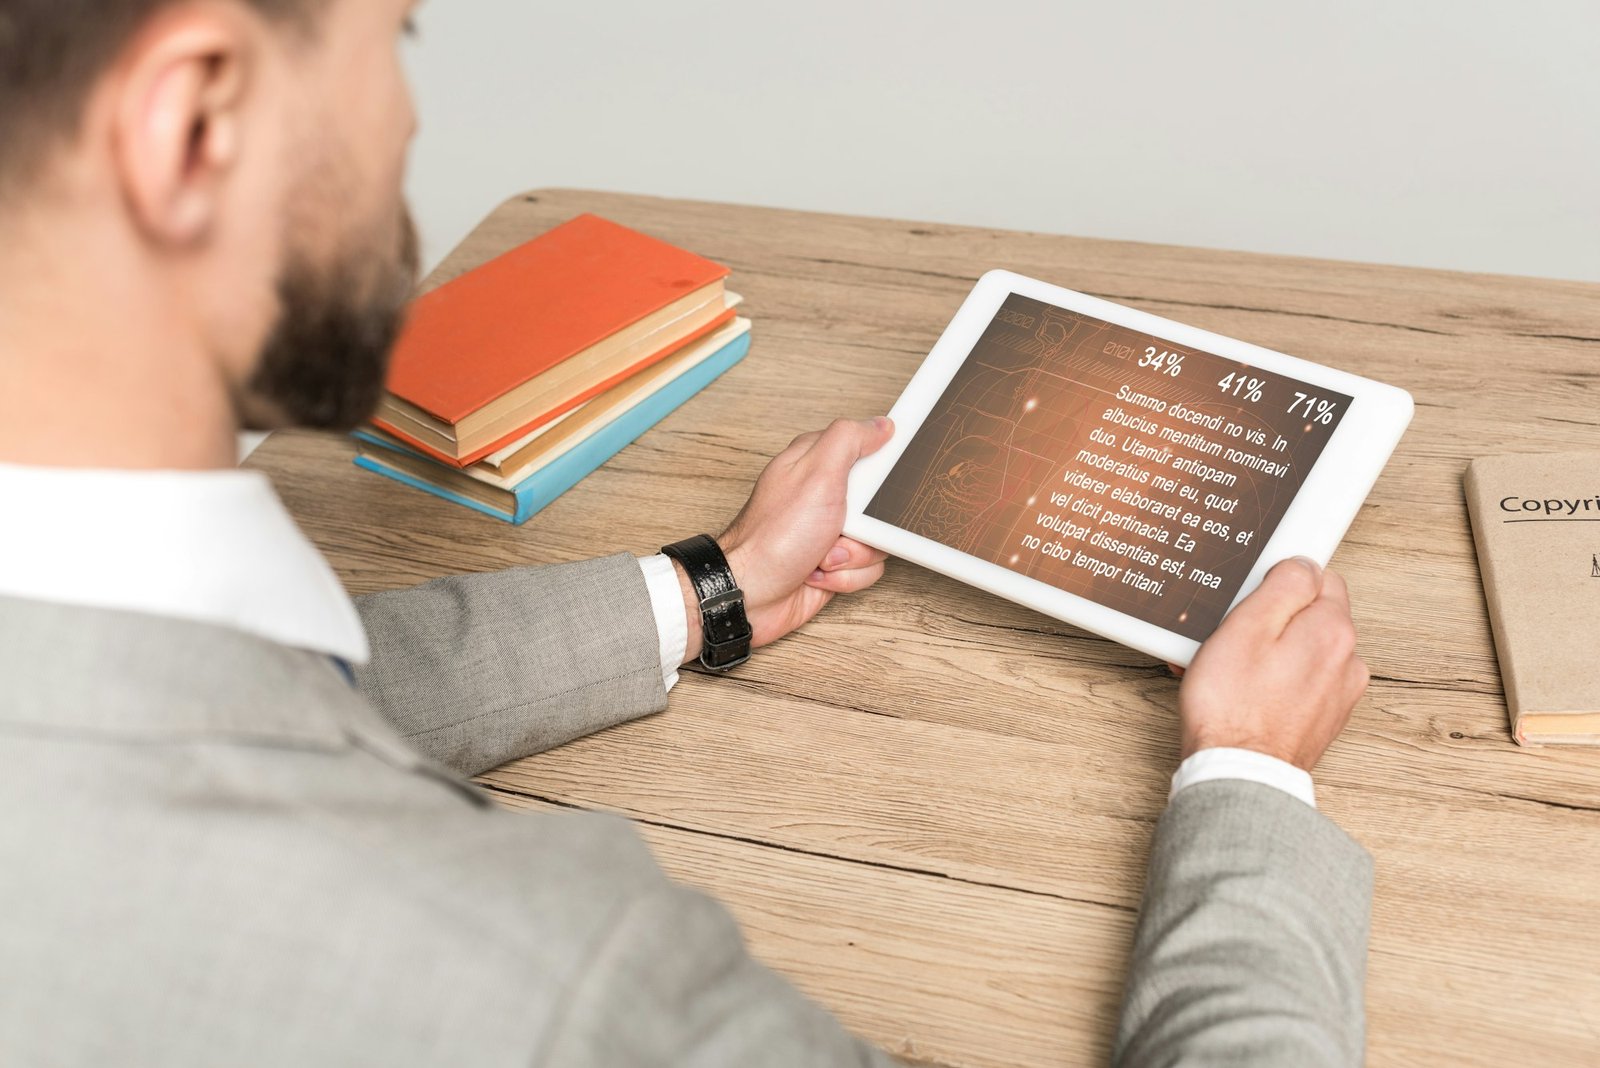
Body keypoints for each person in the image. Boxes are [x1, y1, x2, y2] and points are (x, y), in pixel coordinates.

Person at [0, 2, 1374, 1065]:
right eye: (388, 37)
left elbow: (220, 693)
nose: (407, 118)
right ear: (189, 127)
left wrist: (703, 591)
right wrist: (1250, 786)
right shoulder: (546, 980)